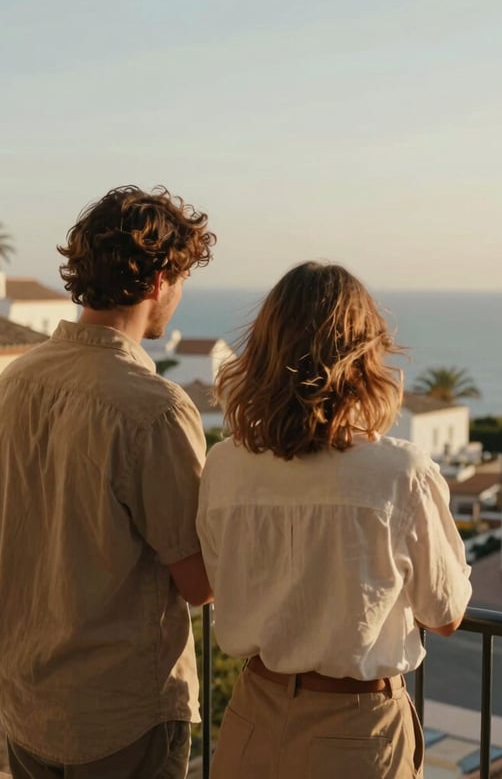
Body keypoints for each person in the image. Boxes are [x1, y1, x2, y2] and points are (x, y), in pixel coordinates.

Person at [196, 261, 472, 779]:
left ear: (264, 352)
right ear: (364, 355)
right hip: (355, 731)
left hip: (251, 717)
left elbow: (217, 579)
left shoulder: (225, 464)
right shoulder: (399, 473)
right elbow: (446, 614)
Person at [0, 185, 216, 779]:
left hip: (27, 697)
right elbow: (201, 581)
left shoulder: (13, 382)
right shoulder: (155, 408)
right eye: (181, 281)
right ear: (159, 280)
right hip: (121, 718)